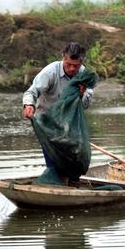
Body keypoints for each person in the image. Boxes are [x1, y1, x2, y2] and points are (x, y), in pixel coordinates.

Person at [22, 42, 94, 180]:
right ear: (63, 58)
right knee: (54, 160)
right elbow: (32, 91)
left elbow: (86, 104)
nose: (72, 68)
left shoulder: (84, 75)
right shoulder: (50, 72)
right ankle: (56, 180)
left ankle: (72, 181)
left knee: (74, 159)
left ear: (81, 62)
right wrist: (29, 105)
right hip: (47, 123)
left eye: (76, 65)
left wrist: (82, 95)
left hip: (70, 124)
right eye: (68, 64)